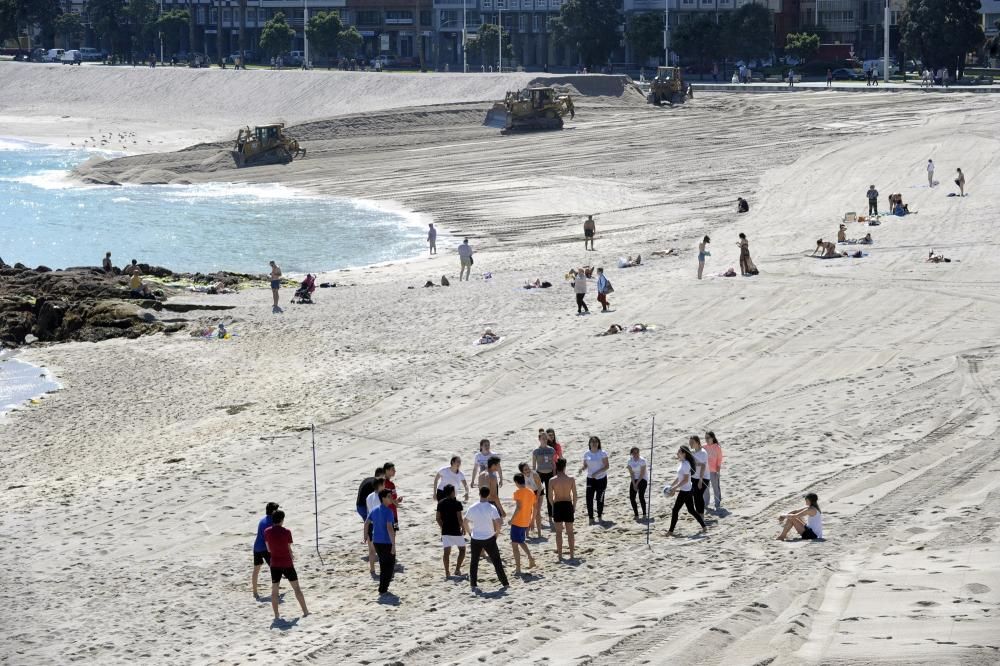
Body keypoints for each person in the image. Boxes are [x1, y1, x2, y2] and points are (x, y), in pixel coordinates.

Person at [263, 510, 310, 619]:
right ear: (282, 520)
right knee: (296, 588)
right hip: (287, 563)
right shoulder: (287, 532)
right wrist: (291, 554)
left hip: (274, 564)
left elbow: (269, 549)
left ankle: (276, 615)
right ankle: (305, 611)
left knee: (274, 590)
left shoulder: (267, 532)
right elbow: (289, 548)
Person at [464, 486, 509, 590]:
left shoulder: (473, 507)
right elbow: (499, 522)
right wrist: (496, 533)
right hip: (489, 538)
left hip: (476, 538)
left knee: (474, 562)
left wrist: (470, 533)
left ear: (479, 494)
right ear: (488, 495)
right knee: (497, 561)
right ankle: (505, 583)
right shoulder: (491, 507)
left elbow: (465, 521)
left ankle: (473, 584)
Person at [663, 447, 707, 536]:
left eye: (679, 451)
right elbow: (679, 478)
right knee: (691, 510)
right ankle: (704, 526)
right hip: (687, 490)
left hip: (685, 491)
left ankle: (670, 531)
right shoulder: (682, 463)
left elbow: (686, 480)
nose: (677, 453)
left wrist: (675, 488)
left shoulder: (686, 464)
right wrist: (671, 486)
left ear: (684, 453)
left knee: (675, 510)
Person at [365, 490, 398, 595]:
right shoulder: (389, 512)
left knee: (384, 565)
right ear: (383, 498)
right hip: (386, 542)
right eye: (389, 496)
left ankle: (383, 588)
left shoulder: (374, 510)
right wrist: (393, 545)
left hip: (376, 541)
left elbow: (366, 523)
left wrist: (365, 535)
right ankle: (383, 588)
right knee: (390, 565)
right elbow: (389, 528)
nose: (390, 498)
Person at [548, 459, 577, 560]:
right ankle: (572, 554)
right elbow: (575, 496)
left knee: (559, 532)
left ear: (556, 467)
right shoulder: (571, 479)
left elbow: (550, 497)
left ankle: (560, 555)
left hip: (558, 505)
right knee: (570, 532)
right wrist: (573, 507)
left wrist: (553, 506)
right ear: (565, 467)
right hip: (568, 504)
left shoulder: (552, 480)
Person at [436, 484, 466, 578]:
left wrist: (442, 527)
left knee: (446, 553)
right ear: (452, 492)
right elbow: (459, 519)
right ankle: (457, 570)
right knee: (462, 550)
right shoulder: (457, 503)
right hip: (456, 531)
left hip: (446, 531)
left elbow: (437, 518)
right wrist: (463, 528)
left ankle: (447, 572)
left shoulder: (440, 503)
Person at [509, 474, 537, 574]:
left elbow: (518, 507)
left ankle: (518, 569)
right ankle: (530, 558)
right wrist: (532, 520)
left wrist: (511, 519)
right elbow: (535, 507)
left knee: (514, 545)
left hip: (517, 521)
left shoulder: (517, 492)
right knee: (521, 541)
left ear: (516, 482)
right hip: (526, 521)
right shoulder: (531, 492)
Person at [252, 501, 279, 598]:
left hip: (256, 547)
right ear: (273, 512)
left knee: (256, 570)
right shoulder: (271, 523)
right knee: (274, 569)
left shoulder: (262, 520)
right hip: (265, 549)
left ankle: (255, 592)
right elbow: (269, 539)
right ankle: (275, 592)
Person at [579, 436, 609, 524]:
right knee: (589, 498)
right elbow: (585, 465)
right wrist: (582, 468)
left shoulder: (602, 453)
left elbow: (607, 466)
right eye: (592, 442)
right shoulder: (587, 454)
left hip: (601, 479)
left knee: (599, 498)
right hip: (590, 479)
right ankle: (591, 518)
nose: (594, 443)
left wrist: (597, 473)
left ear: (598, 443)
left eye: (596, 442)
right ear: (589, 443)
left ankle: (599, 515)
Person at [364, 477, 387, 574]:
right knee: (383, 550)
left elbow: (368, 512)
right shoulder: (381, 498)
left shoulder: (369, 497)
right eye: (384, 484)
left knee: (371, 550)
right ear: (380, 485)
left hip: (370, 525)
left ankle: (372, 569)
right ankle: (384, 569)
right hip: (379, 525)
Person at [532, 431, 557, 521]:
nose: (545, 440)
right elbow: (534, 466)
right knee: (538, 495)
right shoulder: (536, 451)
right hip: (539, 475)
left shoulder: (551, 450)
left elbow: (554, 463)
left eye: (546, 438)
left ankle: (551, 516)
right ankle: (537, 515)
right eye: (543, 438)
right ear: (539, 439)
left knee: (549, 496)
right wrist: (533, 477)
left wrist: (554, 475)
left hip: (550, 474)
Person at [517, 462, 544, 538]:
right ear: (522, 471)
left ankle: (539, 532)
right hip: (529, 493)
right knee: (528, 512)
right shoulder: (521, 477)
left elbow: (539, 488)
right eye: (525, 469)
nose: (528, 470)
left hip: (538, 491)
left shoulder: (534, 474)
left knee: (537, 512)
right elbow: (522, 488)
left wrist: (536, 499)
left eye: (528, 468)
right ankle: (527, 533)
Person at [689, 435, 710, 517]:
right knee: (695, 496)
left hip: (703, 477)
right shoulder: (692, 452)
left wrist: (700, 480)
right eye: (690, 442)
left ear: (697, 442)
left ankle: (701, 515)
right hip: (694, 477)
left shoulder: (703, 453)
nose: (690, 444)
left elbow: (703, 466)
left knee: (698, 495)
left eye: (692, 442)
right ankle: (699, 513)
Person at [703, 431, 724, 512]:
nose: (707, 439)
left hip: (714, 471)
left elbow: (719, 460)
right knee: (706, 489)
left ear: (712, 438)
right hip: (705, 472)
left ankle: (717, 503)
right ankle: (706, 503)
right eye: (706, 438)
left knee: (716, 487)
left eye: (708, 438)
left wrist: (718, 471)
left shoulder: (717, 447)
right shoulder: (703, 447)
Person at [627, 447, 649, 520]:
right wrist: (633, 483)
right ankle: (636, 514)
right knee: (632, 497)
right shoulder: (630, 461)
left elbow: (642, 473)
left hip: (642, 479)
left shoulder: (642, 460)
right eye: (634, 453)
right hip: (634, 479)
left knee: (641, 496)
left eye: (637, 452)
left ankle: (644, 514)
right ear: (632, 454)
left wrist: (637, 484)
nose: (636, 454)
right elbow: (631, 474)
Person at [382, 462, 402, 530]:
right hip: (392, 513)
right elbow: (391, 499)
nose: (395, 471)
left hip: (383, 513)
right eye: (392, 469)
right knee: (393, 532)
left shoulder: (380, 483)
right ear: (387, 470)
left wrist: (396, 501)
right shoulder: (390, 485)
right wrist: (396, 503)